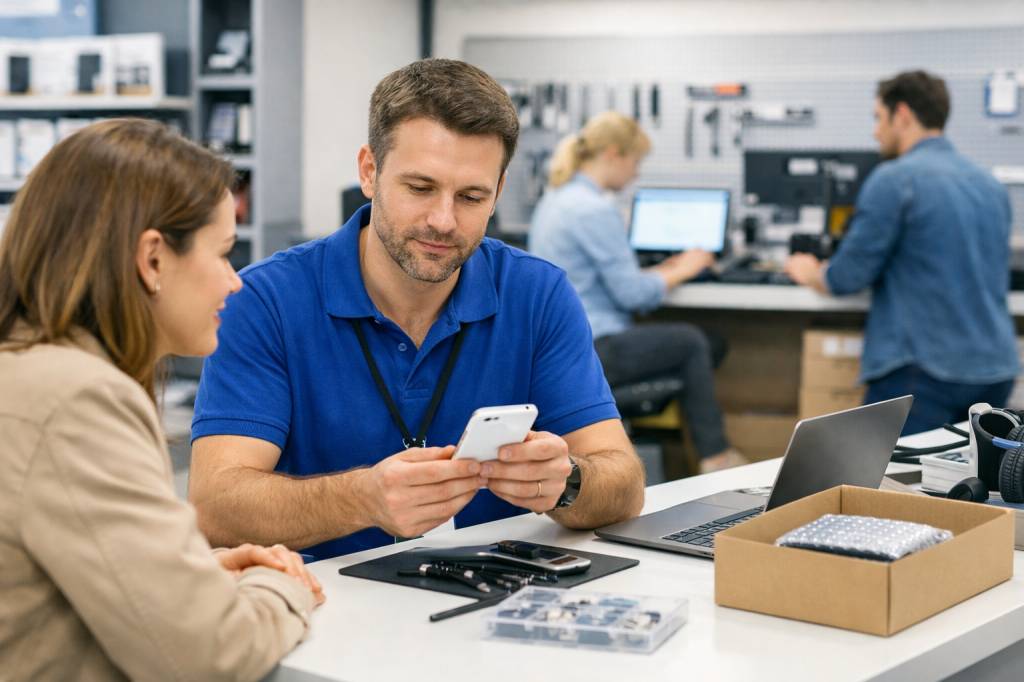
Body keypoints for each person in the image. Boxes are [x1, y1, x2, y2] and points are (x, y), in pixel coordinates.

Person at [188, 59, 645, 561]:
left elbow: (623, 483)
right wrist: (362, 499)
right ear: (369, 171)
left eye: (471, 196)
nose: (443, 220)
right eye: (420, 188)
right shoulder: (263, 300)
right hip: (328, 610)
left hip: (497, 597)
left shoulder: (538, 294)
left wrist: (567, 483)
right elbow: (215, 508)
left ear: (498, 193)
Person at [0, 119, 324, 682]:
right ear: (152, 259)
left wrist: (195, 575)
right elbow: (209, 655)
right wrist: (279, 586)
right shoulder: (79, 400)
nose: (234, 282)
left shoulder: (28, 372)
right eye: (222, 253)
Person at [785, 70, 1019, 435]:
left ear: (903, 115)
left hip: (923, 370)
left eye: (879, 118)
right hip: (995, 370)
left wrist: (808, 270)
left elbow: (846, 277)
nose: (876, 131)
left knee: (888, 486)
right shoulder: (988, 183)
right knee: (963, 485)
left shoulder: (895, 179)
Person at [529, 111, 745, 477]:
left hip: (564, 344)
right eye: (636, 161)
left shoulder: (558, 199)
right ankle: (715, 456)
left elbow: (610, 279)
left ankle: (668, 445)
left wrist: (668, 271)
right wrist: (685, 270)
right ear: (613, 154)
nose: (637, 172)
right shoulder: (593, 209)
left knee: (707, 343)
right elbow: (632, 296)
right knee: (693, 342)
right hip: (595, 345)